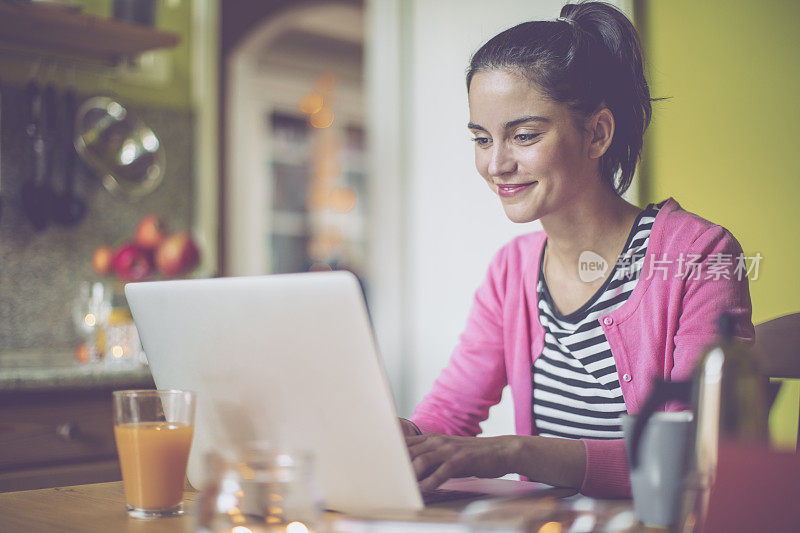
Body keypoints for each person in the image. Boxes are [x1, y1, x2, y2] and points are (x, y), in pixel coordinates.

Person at [399, 1, 754, 498]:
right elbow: (451, 412)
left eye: (523, 136)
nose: (496, 164)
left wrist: (514, 451)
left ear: (597, 133)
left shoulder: (697, 254)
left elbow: (690, 456)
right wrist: (407, 436)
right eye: (482, 139)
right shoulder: (513, 270)